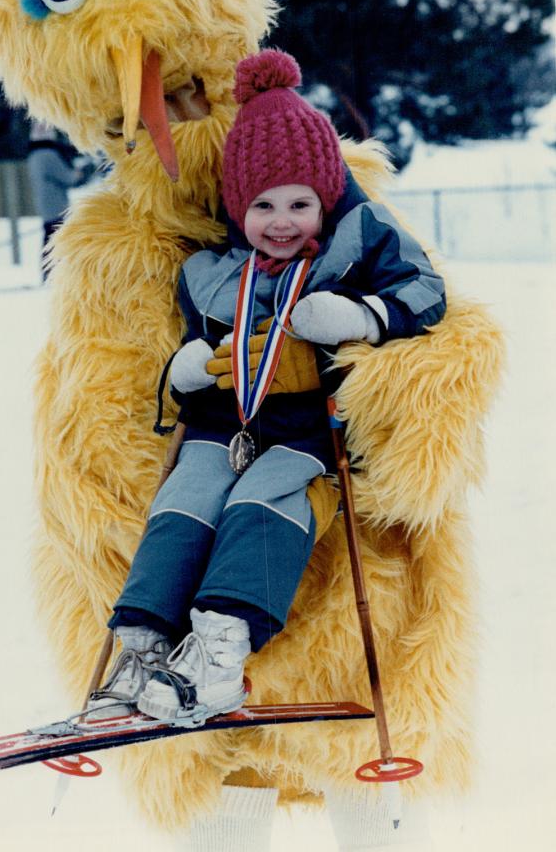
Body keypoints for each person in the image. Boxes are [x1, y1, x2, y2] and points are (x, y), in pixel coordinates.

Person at [89, 49, 447, 725]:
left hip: (304, 432)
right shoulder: (209, 273)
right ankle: (142, 646)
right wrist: (187, 369)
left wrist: (361, 316)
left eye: (299, 203)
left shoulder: (358, 240)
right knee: (183, 502)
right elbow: (184, 366)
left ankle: (218, 656)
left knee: (260, 505)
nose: (281, 220)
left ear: (326, 198)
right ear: (236, 204)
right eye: (262, 205)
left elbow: (425, 292)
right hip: (219, 427)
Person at [26, 124, 95, 278]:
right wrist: (80, 172)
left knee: (49, 238)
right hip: (55, 204)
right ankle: (56, 274)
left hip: (43, 202)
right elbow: (67, 177)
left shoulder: (33, 156)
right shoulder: (48, 154)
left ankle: (48, 273)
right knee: (57, 239)